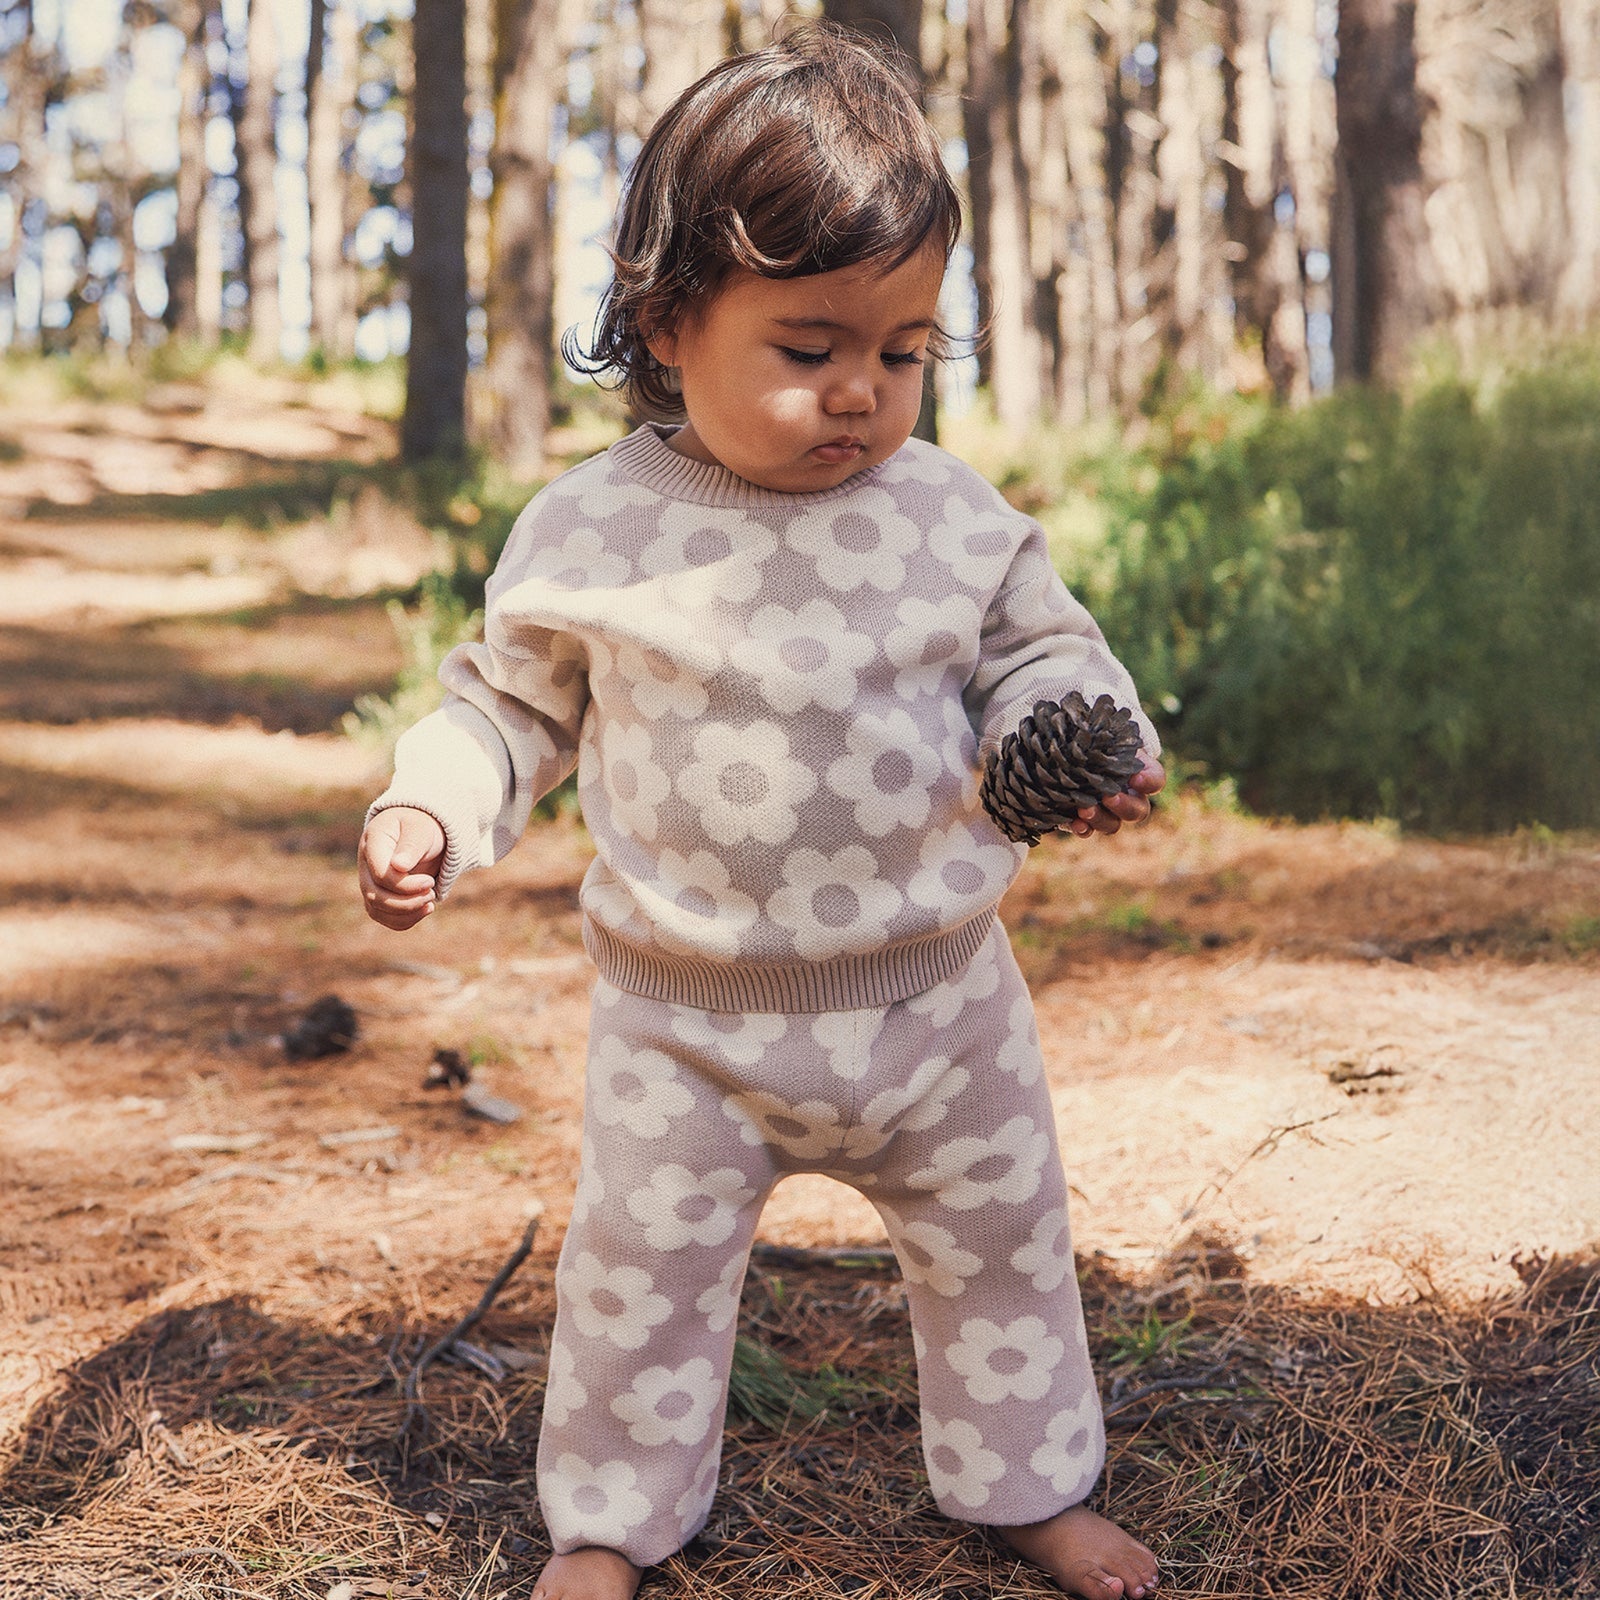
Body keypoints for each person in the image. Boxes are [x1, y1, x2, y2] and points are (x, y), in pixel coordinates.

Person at [358, 24, 1165, 1600]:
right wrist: (432, 810)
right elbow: (505, 708)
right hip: (689, 1031)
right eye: (808, 351)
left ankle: (1027, 1485)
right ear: (670, 326)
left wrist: (1080, 737)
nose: (863, 392)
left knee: (1006, 1261)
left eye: (906, 350)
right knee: (636, 1292)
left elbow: (1047, 657)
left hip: (941, 1009)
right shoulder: (594, 530)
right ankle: (609, 1526)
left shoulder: (953, 516)